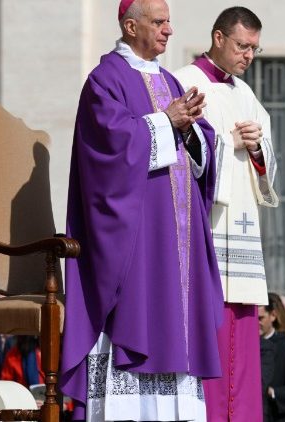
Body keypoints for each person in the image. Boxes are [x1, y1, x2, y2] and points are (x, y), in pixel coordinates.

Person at [59, 1, 223, 420]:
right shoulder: (105, 80)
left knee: (176, 317)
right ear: (131, 27)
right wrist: (166, 122)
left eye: (169, 22)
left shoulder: (169, 80)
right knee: (139, 310)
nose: (169, 30)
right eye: (159, 22)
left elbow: (198, 144)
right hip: (136, 236)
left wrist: (192, 130)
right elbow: (108, 150)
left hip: (176, 236)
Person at [173, 7, 279, 419]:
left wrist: (256, 147)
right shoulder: (184, 82)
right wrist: (225, 143)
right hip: (206, 229)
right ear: (218, 38)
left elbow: (266, 162)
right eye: (242, 46)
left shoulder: (245, 93)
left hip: (242, 229)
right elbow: (176, 155)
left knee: (242, 332)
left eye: (254, 48)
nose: (249, 55)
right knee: (210, 331)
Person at [260, 293, 285, 422]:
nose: (255, 323)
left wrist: (273, 392)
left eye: (260, 318)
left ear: (273, 315)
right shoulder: (243, 345)